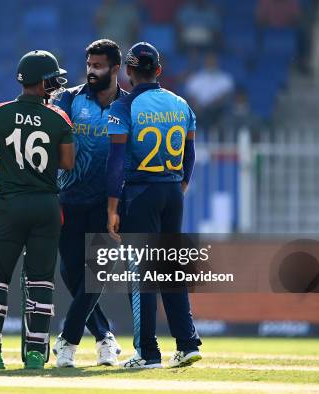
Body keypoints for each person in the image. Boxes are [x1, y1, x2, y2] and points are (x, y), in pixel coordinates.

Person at [0, 50, 75, 370]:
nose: (54, 85)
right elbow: (67, 162)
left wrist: (10, 168)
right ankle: (37, 354)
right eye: (50, 80)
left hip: (10, 205)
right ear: (40, 83)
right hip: (46, 205)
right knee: (40, 281)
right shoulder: (59, 117)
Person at [106, 42, 202, 368]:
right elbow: (190, 155)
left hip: (140, 192)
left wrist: (111, 207)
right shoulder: (181, 104)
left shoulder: (123, 107)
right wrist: (181, 186)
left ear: (128, 72)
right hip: (173, 191)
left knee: (142, 274)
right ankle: (187, 343)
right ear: (158, 70)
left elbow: (117, 162)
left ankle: (147, 352)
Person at [51, 39, 127, 368]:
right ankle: (105, 337)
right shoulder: (70, 99)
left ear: (115, 68)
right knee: (71, 272)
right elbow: (50, 132)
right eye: (89, 65)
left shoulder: (129, 107)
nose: (91, 71)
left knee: (98, 273)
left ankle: (67, 341)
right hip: (69, 198)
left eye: (98, 66)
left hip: (108, 203)